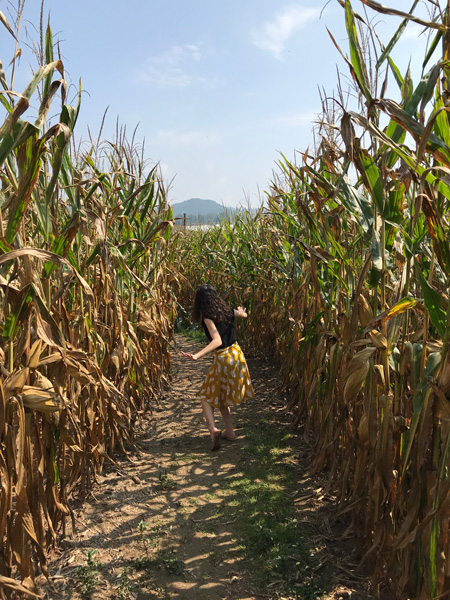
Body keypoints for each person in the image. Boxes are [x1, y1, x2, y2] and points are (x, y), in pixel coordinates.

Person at [181, 283, 254, 451]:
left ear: (199, 302)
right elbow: (243, 315)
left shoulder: (208, 316)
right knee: (221, 397)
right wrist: (242, 312)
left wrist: (197, 355)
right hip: (237, 355)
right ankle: (230, 432)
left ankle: (212, 428)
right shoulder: (226, 309)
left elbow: (217, 341)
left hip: (224, 358)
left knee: (206, 395)